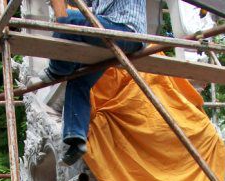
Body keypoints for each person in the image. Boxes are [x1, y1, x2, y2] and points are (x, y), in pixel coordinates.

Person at [39, 0, 147, 165]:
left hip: (123, 29)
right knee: (79, 80)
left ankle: (57, 69)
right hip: (108, 36)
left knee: (65, 20)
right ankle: (76, 140)